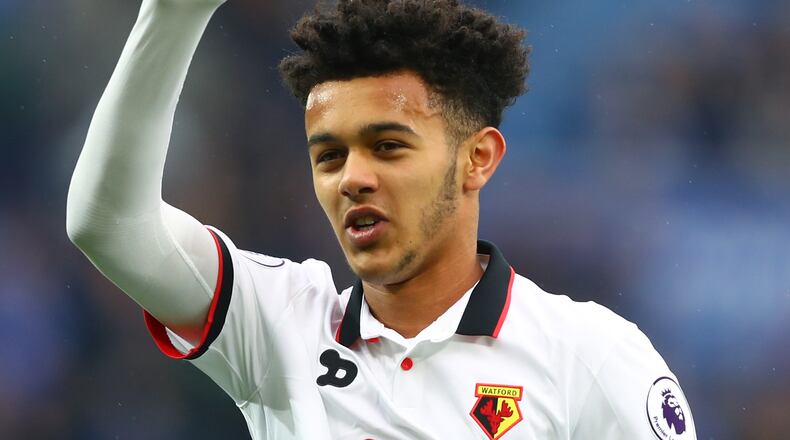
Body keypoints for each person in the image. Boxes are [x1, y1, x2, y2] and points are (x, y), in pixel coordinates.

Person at [66, 0, 697, 438]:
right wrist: (174, 14)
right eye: (329, 156)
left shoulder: (588, 355)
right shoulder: (282, 323)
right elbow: (109, 224)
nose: (353, 178)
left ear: (476, 158)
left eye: (388, 147)